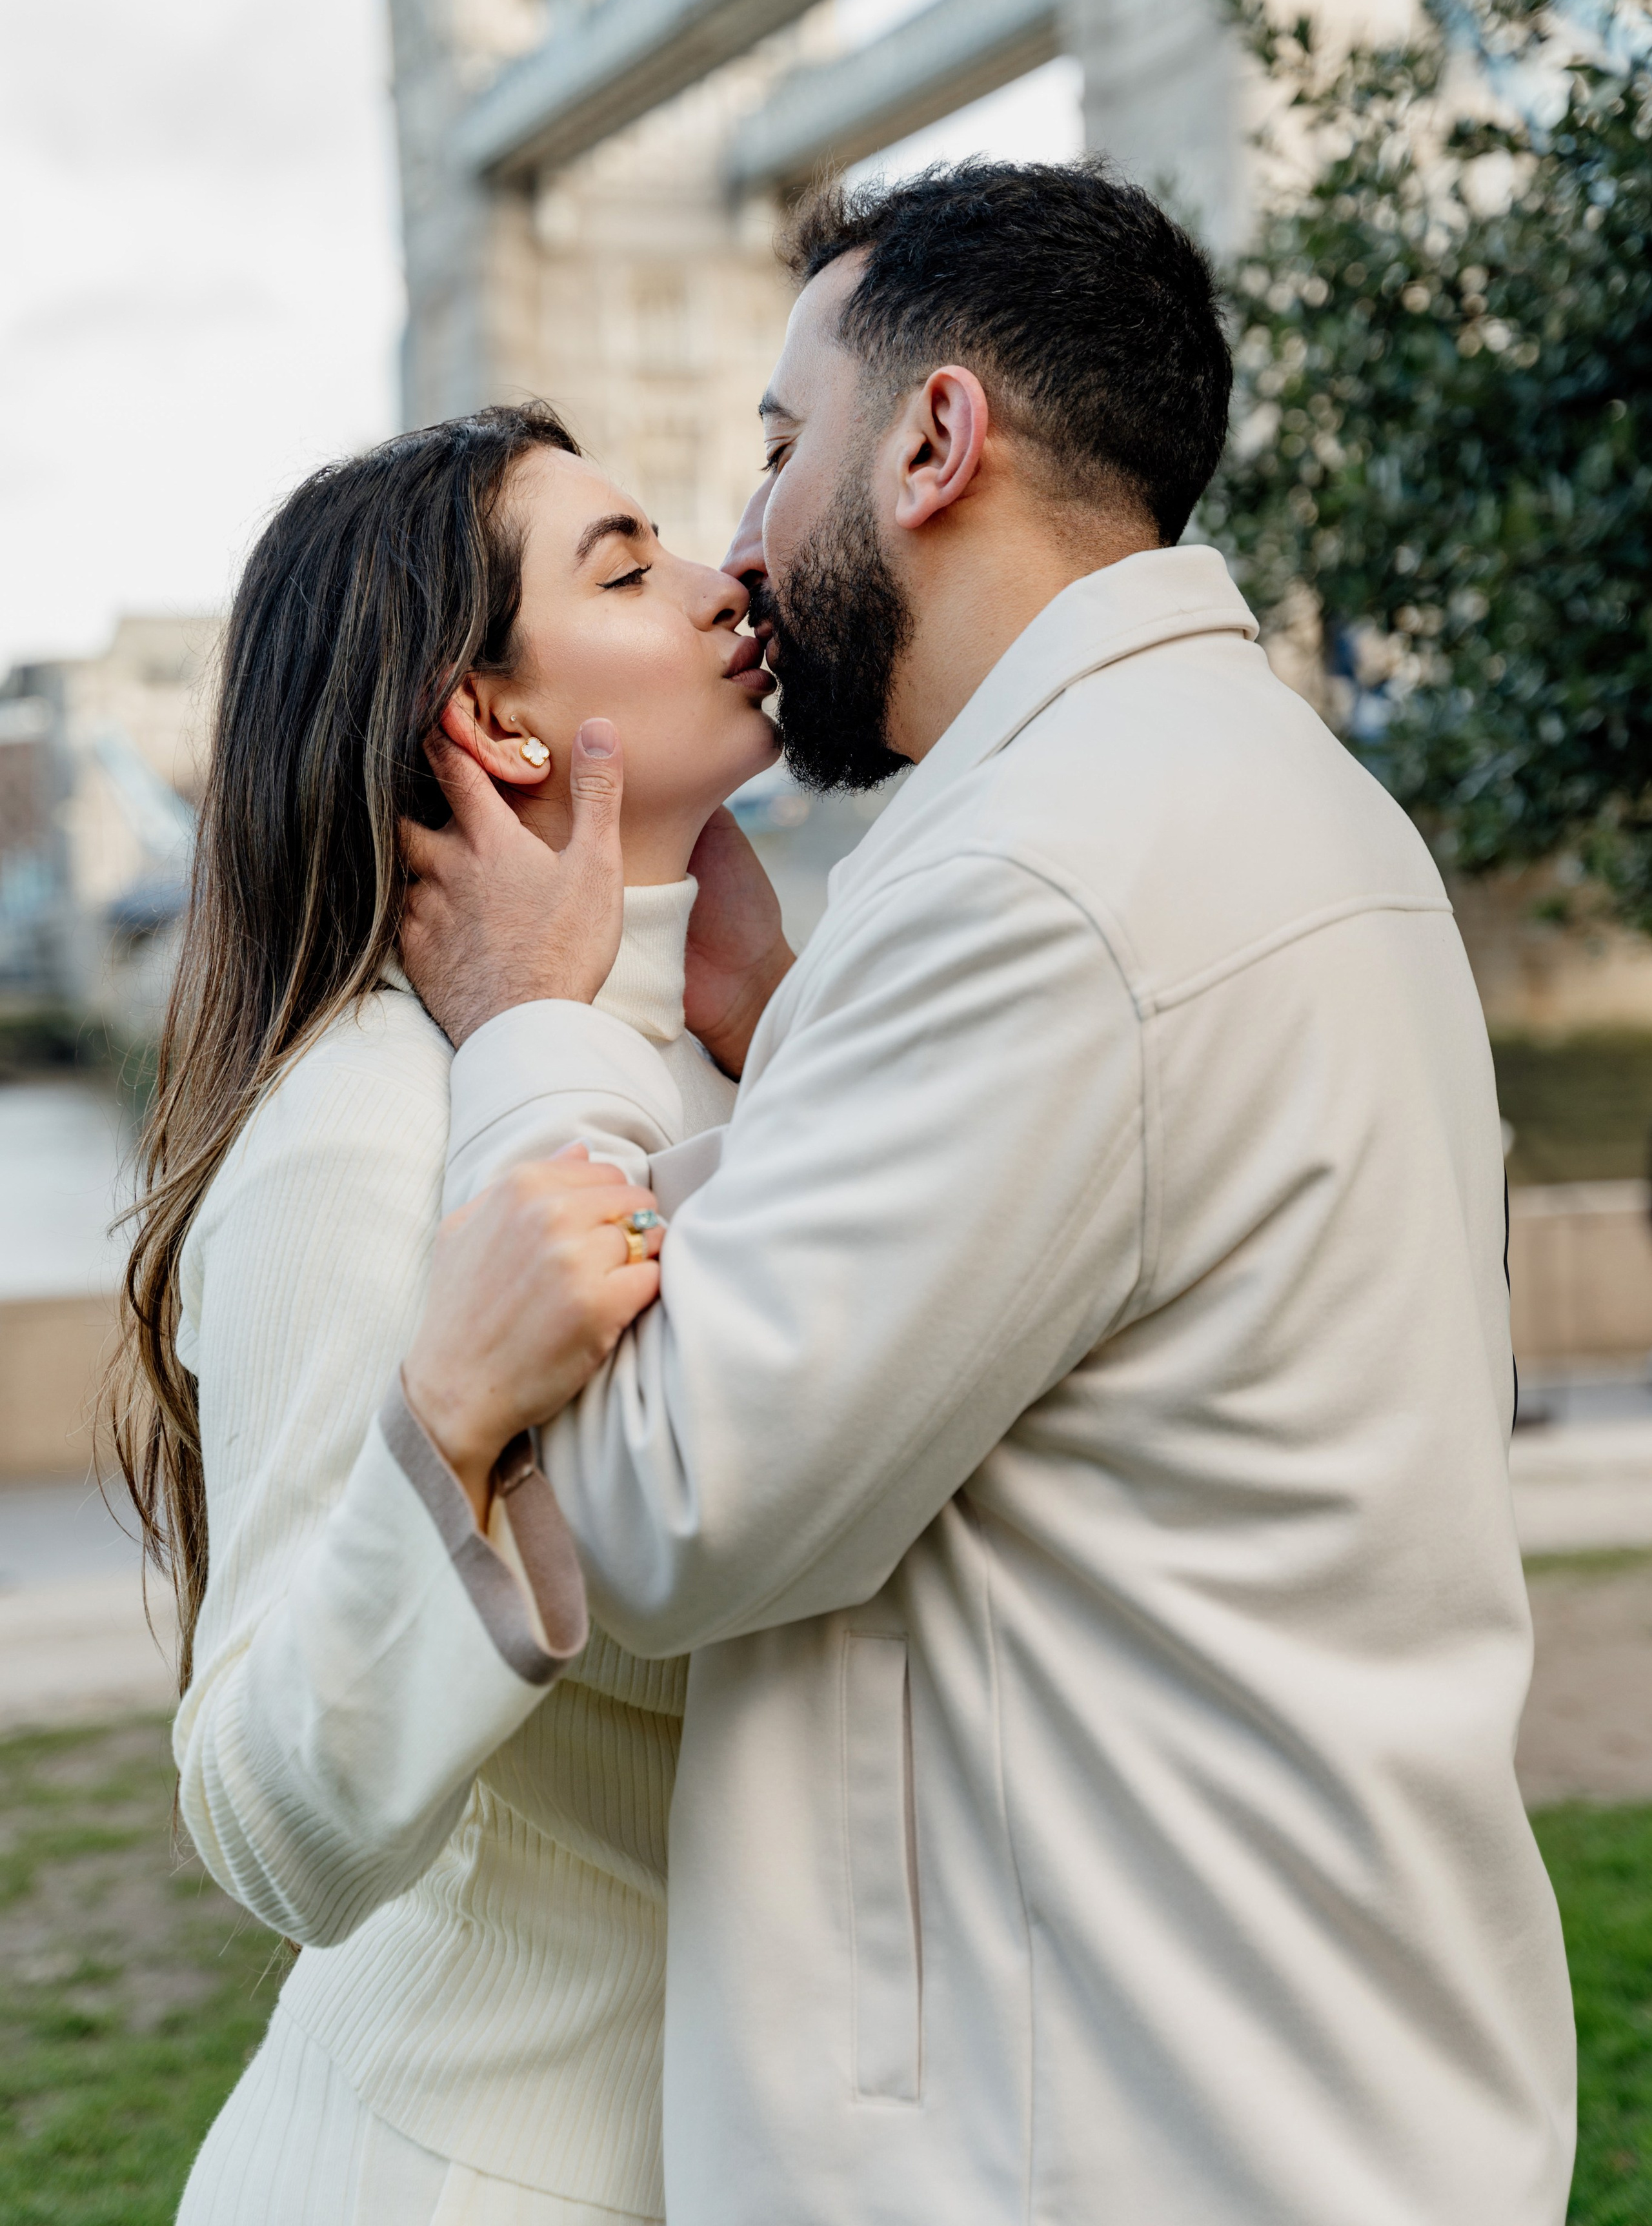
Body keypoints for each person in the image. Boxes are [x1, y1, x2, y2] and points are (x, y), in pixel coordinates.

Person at [399, 162, 1576, 2225]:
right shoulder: (1262, 797)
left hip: (1108, 2139)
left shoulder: (1044, 879)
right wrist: (790, 1043)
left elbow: (664, 1510)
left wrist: (528, 1033)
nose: (746, 544)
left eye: (783, 446)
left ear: (936, 441)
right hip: (1279, 2085)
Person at [108, 401, 784, 2225]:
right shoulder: (363, 1117)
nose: (727, 583)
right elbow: (260, 1822)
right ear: (488, 722)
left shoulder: (733, 1051)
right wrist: (453, 1419)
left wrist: (781, 1028)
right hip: (465, 2169)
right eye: (629, 571)